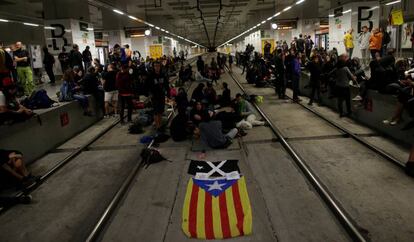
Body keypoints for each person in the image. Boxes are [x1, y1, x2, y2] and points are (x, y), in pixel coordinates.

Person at [148, 61, 169, 131]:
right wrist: (150, 94)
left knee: (160, 111)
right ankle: (157, 126)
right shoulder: (151, 76)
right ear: (153, 67)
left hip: (161, 96)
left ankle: (159, 124)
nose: (157, 67)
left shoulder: (162, 75)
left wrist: (168, 94)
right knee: (156, 112)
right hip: (154, 97)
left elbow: (166, 85)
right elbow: (147, 86)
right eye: (155, 66)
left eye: (158, 66)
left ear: (160, 67)